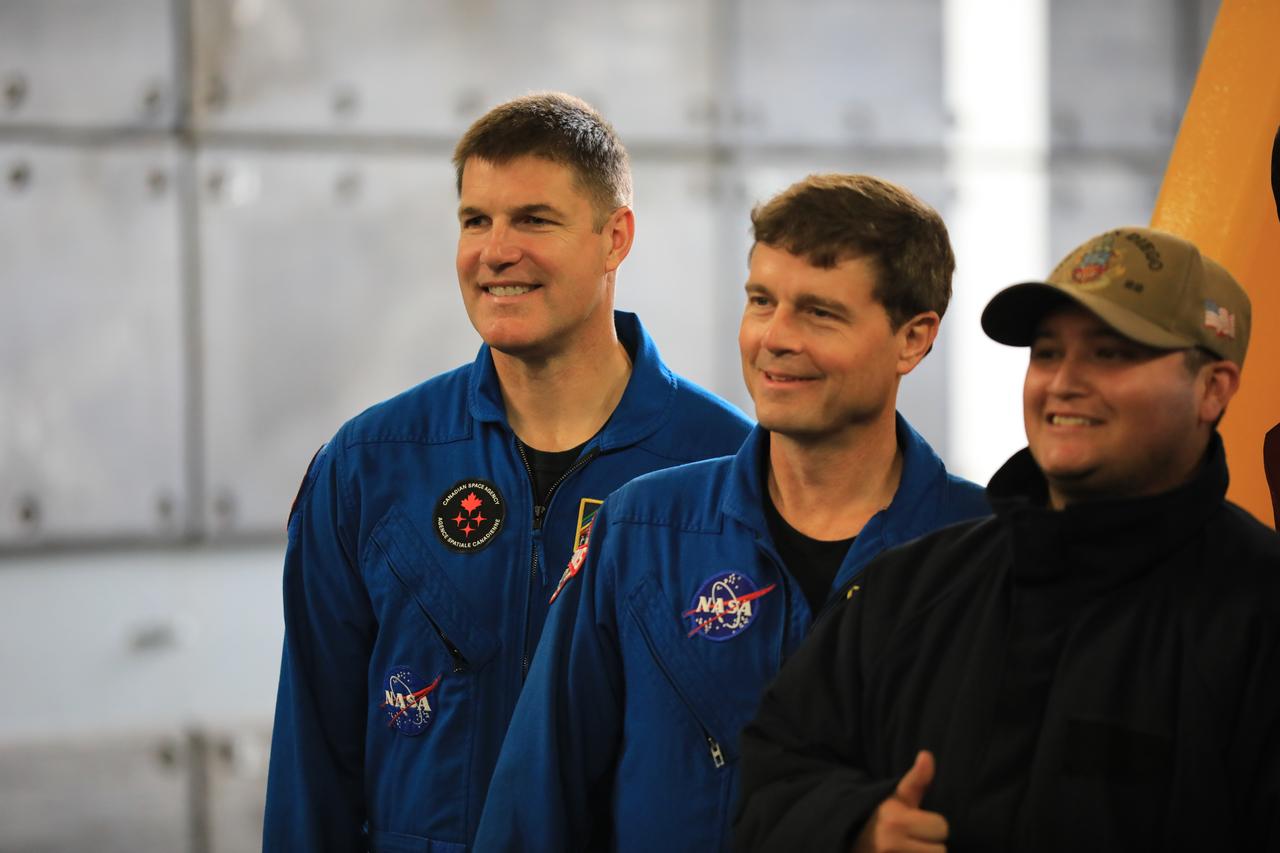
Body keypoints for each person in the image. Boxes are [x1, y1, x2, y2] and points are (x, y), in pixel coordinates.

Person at [261, 93, 752, 852]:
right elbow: (311, 770)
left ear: (615, 237)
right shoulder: (369, 466)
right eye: (475, 220)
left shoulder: (726, 469)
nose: (494, 251)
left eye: (534, 220)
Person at [474, 174, 989, 851]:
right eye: (761, 301)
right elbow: (533, 809)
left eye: (820, 313)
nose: (775, 337)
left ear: (913, 339)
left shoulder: (990, 551)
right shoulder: (640, 531)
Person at [734, 226, 1280, 852]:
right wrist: (855, 829)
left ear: (1213, 389)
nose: (1064, 382)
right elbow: (773, 781)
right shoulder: (911, 589)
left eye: (1110, 354)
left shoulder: (1260, 613)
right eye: (1047, 354)